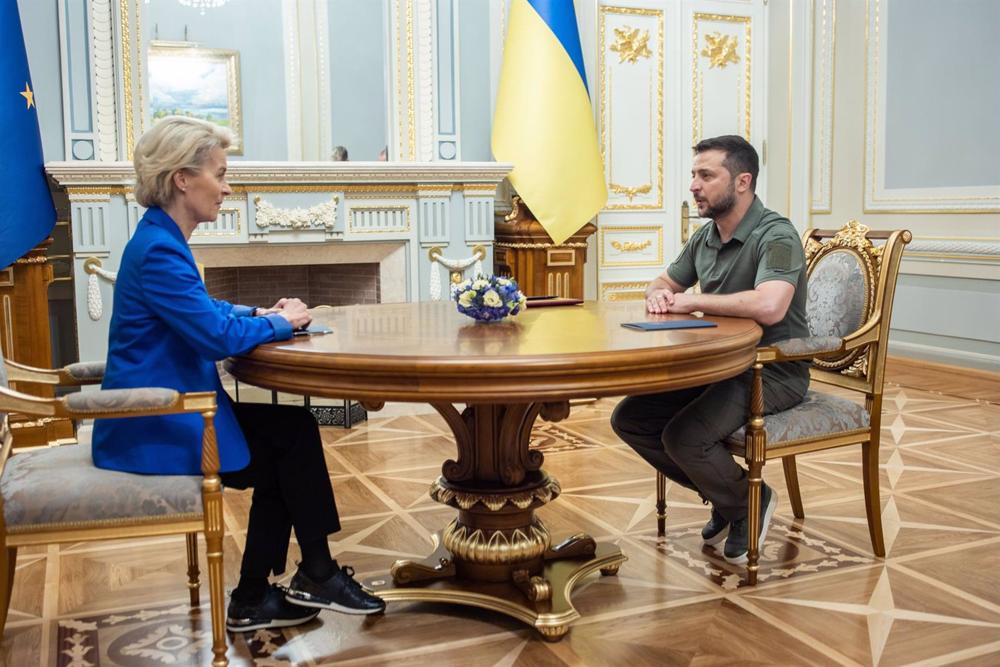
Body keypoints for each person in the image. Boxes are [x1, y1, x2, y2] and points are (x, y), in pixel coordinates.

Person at [92, 116, 386, 633]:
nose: (227, 188)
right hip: (156, 421)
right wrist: (281, 321)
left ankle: (270, 590)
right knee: (289, 440)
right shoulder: (160, 247)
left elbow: (203, 310)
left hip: (175, 410)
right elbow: (211, 337)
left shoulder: (158, 238)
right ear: (183, 178)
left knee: (290, 438)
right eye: (220, 174)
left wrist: (259, 314)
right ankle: (297, 579)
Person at [610, 135, 809, 564]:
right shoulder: (706, 237)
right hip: (717, 366)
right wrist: (659, 296)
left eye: (705, 175)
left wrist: (694, 300)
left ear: (742, 181)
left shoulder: (778, 234)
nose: (694, 185)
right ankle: (734, 499)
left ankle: (746, 505)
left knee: (686, 437)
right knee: (631, 418)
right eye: (694, 175)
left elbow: (771, 305)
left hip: (771, 370)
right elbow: (664, 281)